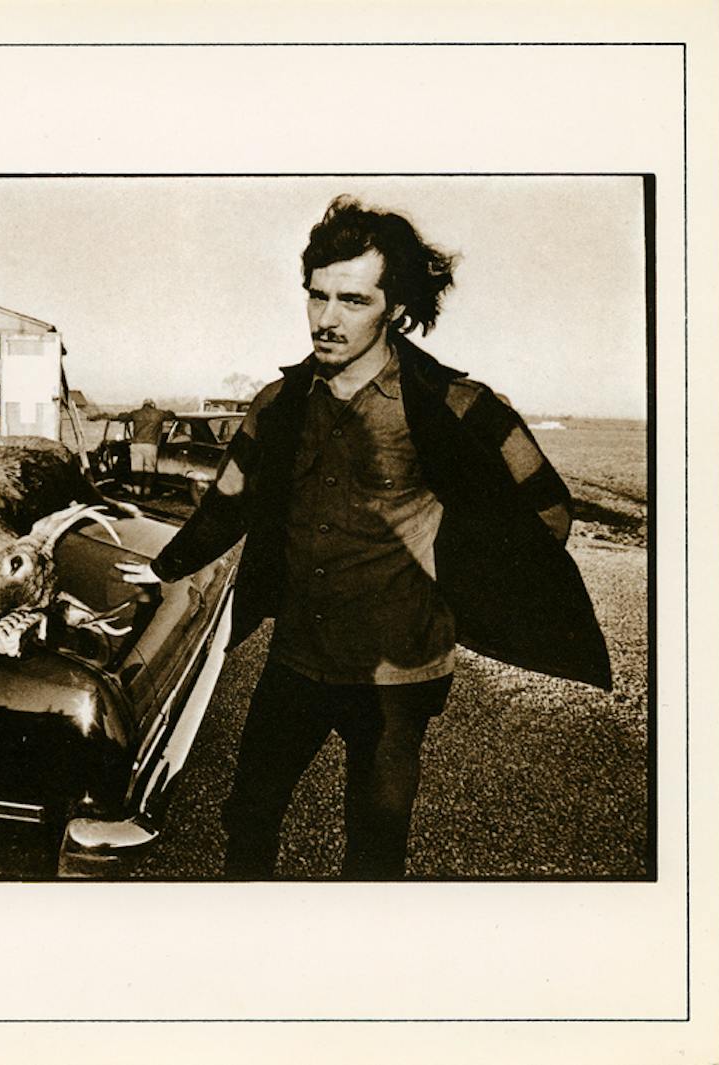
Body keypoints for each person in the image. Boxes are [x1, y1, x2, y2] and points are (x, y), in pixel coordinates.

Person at [117, 196, 610, 880]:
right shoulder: (277, 404)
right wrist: (161, 568)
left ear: (395, 308)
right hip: (297, 657)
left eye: (352, 299)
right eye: (317, 295)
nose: (326, 318)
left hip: (397, 676)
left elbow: (549, 509)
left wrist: (461, 589)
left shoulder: (455, 405)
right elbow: (227, 504)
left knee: (375, 848)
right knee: (248, 815)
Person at [119, 399, 176, 498]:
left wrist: (122, 414)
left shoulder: (136, 413)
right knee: (149, 470)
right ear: (152, 405)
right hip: (151, 445)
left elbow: (122, 417)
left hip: (136, 445)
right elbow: (171, 415)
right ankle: (146, 493)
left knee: (136, 469)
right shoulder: (159, 414)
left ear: (143, 405)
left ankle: (136, 492)